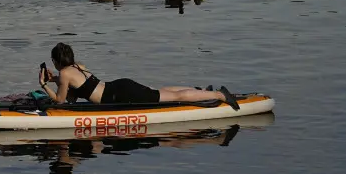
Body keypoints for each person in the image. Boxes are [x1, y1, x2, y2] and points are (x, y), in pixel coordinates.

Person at [38, 42, 239, 109]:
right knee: (159, 92)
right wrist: (53, 79)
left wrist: (44, 85)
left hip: (119, 95)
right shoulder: (76, 66)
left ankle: (220, 96)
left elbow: (61, 101)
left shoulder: (64, 74)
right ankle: (202, 92)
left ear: (56, 62)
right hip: (118, 87)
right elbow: (77, 86)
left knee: (172, 97)